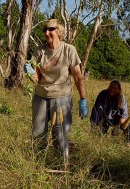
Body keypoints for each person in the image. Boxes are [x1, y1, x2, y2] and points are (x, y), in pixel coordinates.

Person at [24, 19, 88, 158]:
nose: (47, 32)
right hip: (41, 96)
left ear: (59, 32)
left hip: (61, 98)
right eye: (45, 29)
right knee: (37, 134)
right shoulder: (39, 51)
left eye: (51, 29)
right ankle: (38, 164)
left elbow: (78, 77)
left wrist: (83, 99)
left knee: (60, 135)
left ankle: (61, 164)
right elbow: (35, 78)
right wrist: (29, 71)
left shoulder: (69, 50)